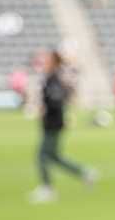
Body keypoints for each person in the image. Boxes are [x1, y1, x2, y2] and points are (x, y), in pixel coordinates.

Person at [29, 51, 96, 203]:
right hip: (51, 122)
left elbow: (57, 101)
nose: (44, 62)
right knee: (54, 156)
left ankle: (47, 189)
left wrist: (46, 109)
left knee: (42, 156)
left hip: (53, 123)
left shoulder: (54, 79)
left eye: (47, 60)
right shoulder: (51, 78)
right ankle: (84, 172)